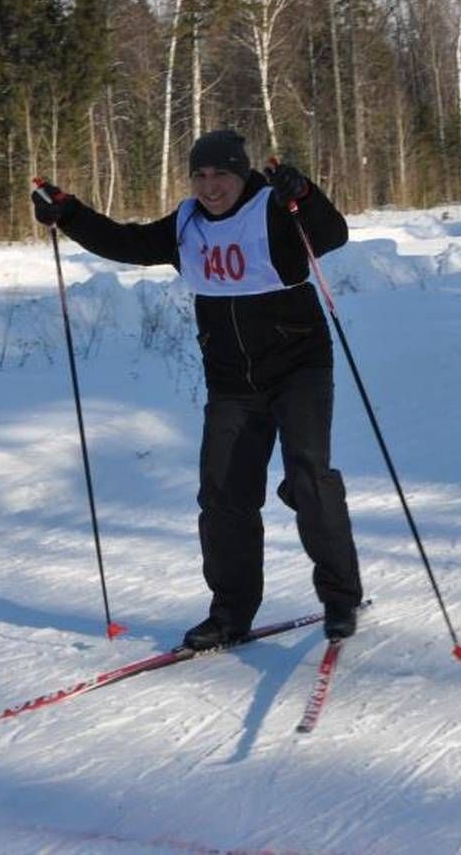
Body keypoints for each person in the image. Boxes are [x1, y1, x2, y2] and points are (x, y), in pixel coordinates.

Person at [32, 128, 364, 649]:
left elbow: (330, 235)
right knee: (223, 496)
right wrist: (68, 213)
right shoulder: (187, 224)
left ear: (243, 173)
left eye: (222, 175)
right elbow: (128, 242)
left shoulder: (272, 210)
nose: (211, 187)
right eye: (201, 175)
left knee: (308, 477)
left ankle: (341, 598)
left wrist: (303, 196)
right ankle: (231, 613)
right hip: (232, 380)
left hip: (299, 366)